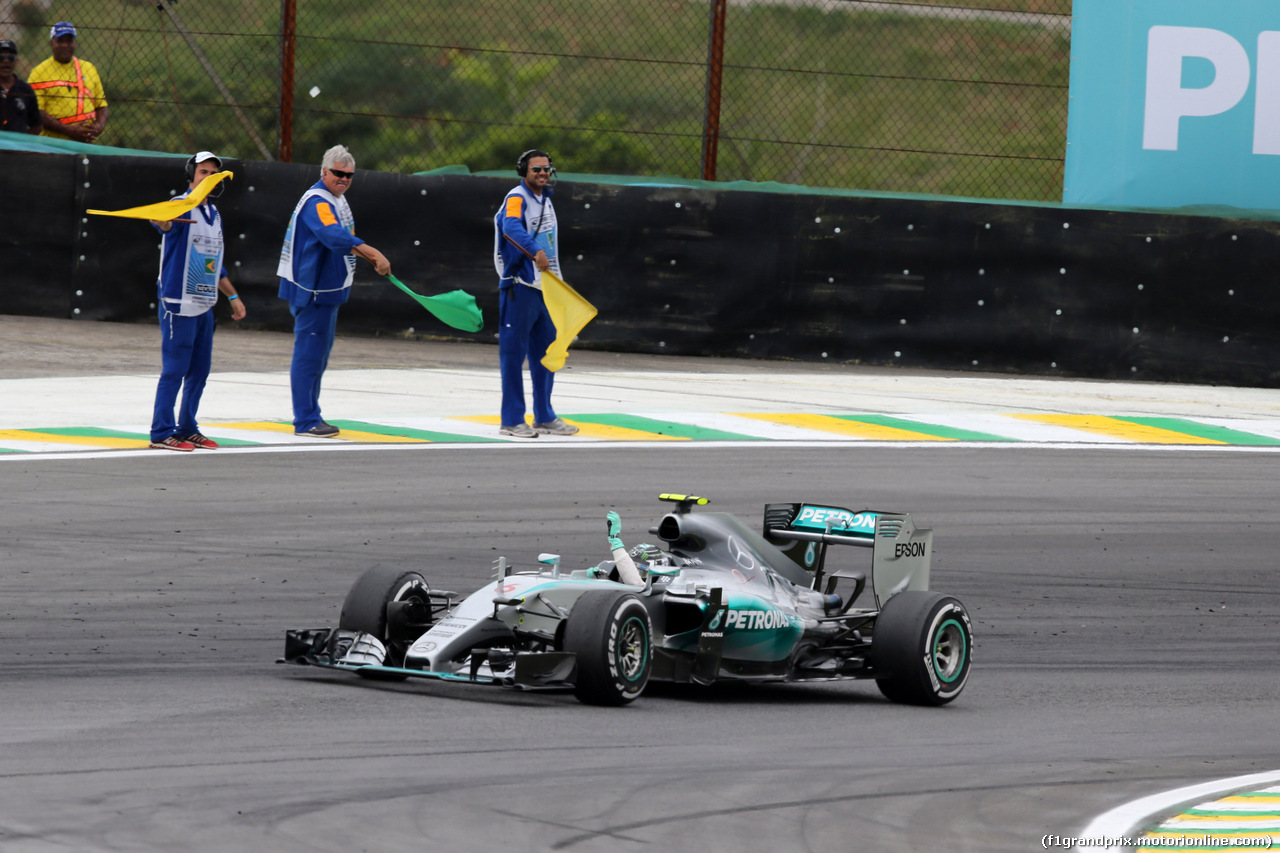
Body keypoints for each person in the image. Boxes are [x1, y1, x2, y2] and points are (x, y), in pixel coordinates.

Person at [277, 145, 390, 438]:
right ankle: (305, 419)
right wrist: (371, 252)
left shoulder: (335, 199)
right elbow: (331, 234)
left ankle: (311, 414)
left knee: (319, 356)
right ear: (324, 171)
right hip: (312, 290)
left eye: (348, 175)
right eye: (338, 173)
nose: (343, 179)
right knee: (309, 355)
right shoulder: (319, 201)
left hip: (327, 291)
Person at [148, 151, 246, 452]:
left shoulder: (214, 214)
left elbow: (213, 262)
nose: (208, 178)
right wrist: (162, 219)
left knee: (199, 371)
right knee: (175, 368)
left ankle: (187, 426)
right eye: (203, 172)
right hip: (178, 301)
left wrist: (232, 295)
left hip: (205, 301)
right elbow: (162, 222)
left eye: (213, 174)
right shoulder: (180, 205)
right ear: (191, 175)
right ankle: (162, 431)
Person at [492, 148, 579, 438]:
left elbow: (552, 252)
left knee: (546, 354)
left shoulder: (546, 200)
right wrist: (535, 251)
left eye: (546, 169)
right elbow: (510, 227)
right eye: (536, 169)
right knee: (513, 354)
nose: (542, 173)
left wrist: (561, 290)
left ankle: (544, 416)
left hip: (546, 290)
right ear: (523, 172)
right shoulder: (516, 197)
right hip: (520, 286)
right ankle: (512, 419)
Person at [28, 22, 108, 143]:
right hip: (53, 145)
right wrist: (70, 131)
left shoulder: (89, 68)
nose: (65, 45)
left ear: (75, 44)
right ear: (51, 43)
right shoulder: (39, 72)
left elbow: (101, 106)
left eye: (69, 41)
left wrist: (98, 127)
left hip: (86, 144)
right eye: (60, 41)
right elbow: (36, 112)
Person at [0, 40, 43, 135]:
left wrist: (22, 142)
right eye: (1, 57)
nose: (6, 60)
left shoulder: (25, 90)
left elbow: (37, 126)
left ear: (16, 61)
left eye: (11, 57)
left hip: (17, 149)